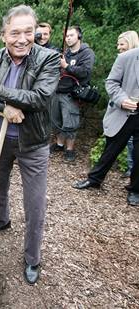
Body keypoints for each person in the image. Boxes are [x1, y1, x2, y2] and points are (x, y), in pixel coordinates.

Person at [0, 5, 60, 284]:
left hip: (33, 143)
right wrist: (3, 108)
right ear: (4, 34)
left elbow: (40, 98)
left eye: (29, 32)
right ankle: (2, 220)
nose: (22, 39)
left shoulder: (48, 59)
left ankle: (32, 258)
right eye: (15, 32)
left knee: (35, 203)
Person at [72, 47, 139, 207]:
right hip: (126, 112)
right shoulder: (126, 57)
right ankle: (94, 179)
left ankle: (135, 190)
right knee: (111, 149)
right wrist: (122, 100)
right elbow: (111, 82)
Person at [51, 26, 95, 162]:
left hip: (72, 94)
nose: (68, 38)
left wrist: (66, 66)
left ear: (79, 36)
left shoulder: (86, 53)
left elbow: (85, 72)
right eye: (67, 36)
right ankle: (59, 144)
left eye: (71, 35)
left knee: (70, 123)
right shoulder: (65, 53)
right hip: (57, 91)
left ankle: (70, 149)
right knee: (56, 121)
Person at [116, 31, 139, 178]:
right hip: (122, 107)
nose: (118, 47)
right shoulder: (122, 60)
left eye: (122, 44)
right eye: (118, 44)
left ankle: (132, 170)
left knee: (133, 143)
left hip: (134, 109)